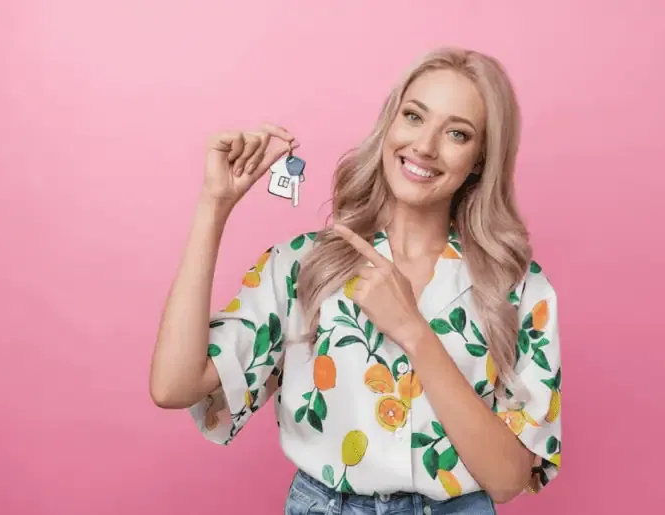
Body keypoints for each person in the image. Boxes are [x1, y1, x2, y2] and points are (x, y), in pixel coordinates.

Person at [149, 47, 562, 514]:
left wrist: (415, 333)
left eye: (457, 133)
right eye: (413, 116)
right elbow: (173, 386)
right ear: (390, 123)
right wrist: (214, 206)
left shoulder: (520, 289)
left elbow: (508, 480)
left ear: (481, 157)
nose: (425, 146)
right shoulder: (306, 265)